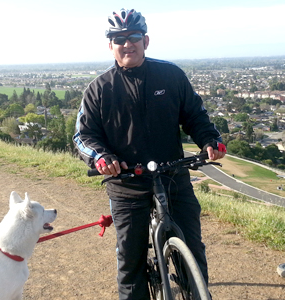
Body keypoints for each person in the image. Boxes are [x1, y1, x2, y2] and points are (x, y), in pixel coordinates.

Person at [73, 8, 226, 300]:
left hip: (173, 177)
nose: (127, 43)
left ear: (146, 40)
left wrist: (210, 140)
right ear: (110, 46)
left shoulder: (171, 76)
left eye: (133, 37)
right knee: (131, 264)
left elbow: (195, 116)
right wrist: (101, 157)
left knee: (192, 251)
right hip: (127, 184)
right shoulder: (100, 88)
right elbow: (83, 135)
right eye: (119, 39)